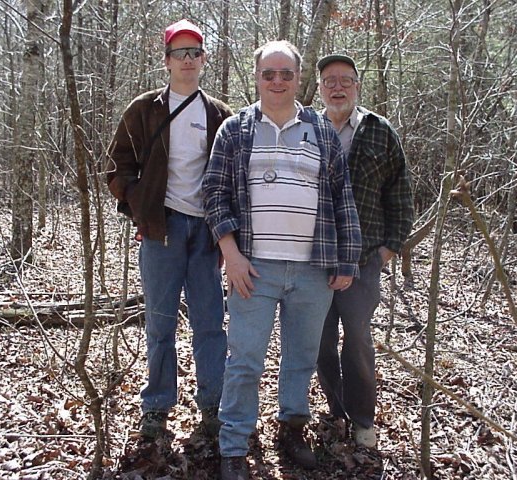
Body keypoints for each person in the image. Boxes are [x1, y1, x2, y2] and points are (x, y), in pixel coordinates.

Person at [202, 40, 362, 480]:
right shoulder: (235, 129)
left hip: (312, 268)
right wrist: (230, 252)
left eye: (286, 74)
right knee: (246, 359)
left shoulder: (321, 131)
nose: (277, 81)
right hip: (253, 267)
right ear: (256, 77)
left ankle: (292, 427)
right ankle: (234, 445)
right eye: (268, 73)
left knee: (301, 357)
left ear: (298, 78)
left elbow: (341, 198)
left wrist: (346, 259)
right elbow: (213, 194)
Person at [106, 19, 233, 440]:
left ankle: (213, 405)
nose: (188, 60)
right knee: (160, 323)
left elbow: (234, 177)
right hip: (161, 231)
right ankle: (157, 406)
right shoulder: (144, 108)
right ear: (166, 61)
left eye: (195, 53)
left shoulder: (220, 115)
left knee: (210, 322)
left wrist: (227, 233)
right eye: (179, 53)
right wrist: (140, 206)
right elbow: (116, 165)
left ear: (204, 59)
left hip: (206, 233)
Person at [315, 54, 414, 449]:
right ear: (320, 88)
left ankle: (362, 419)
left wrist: (388, 249)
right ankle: (335, 409)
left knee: (357, 341)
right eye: (329, 80)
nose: (337, 86)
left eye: (345, 80)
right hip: (315, 261)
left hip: (364, 262)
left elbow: (401, 194)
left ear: (357, 86)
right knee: (320, 342)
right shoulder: (306, 129)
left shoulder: (379, 130)